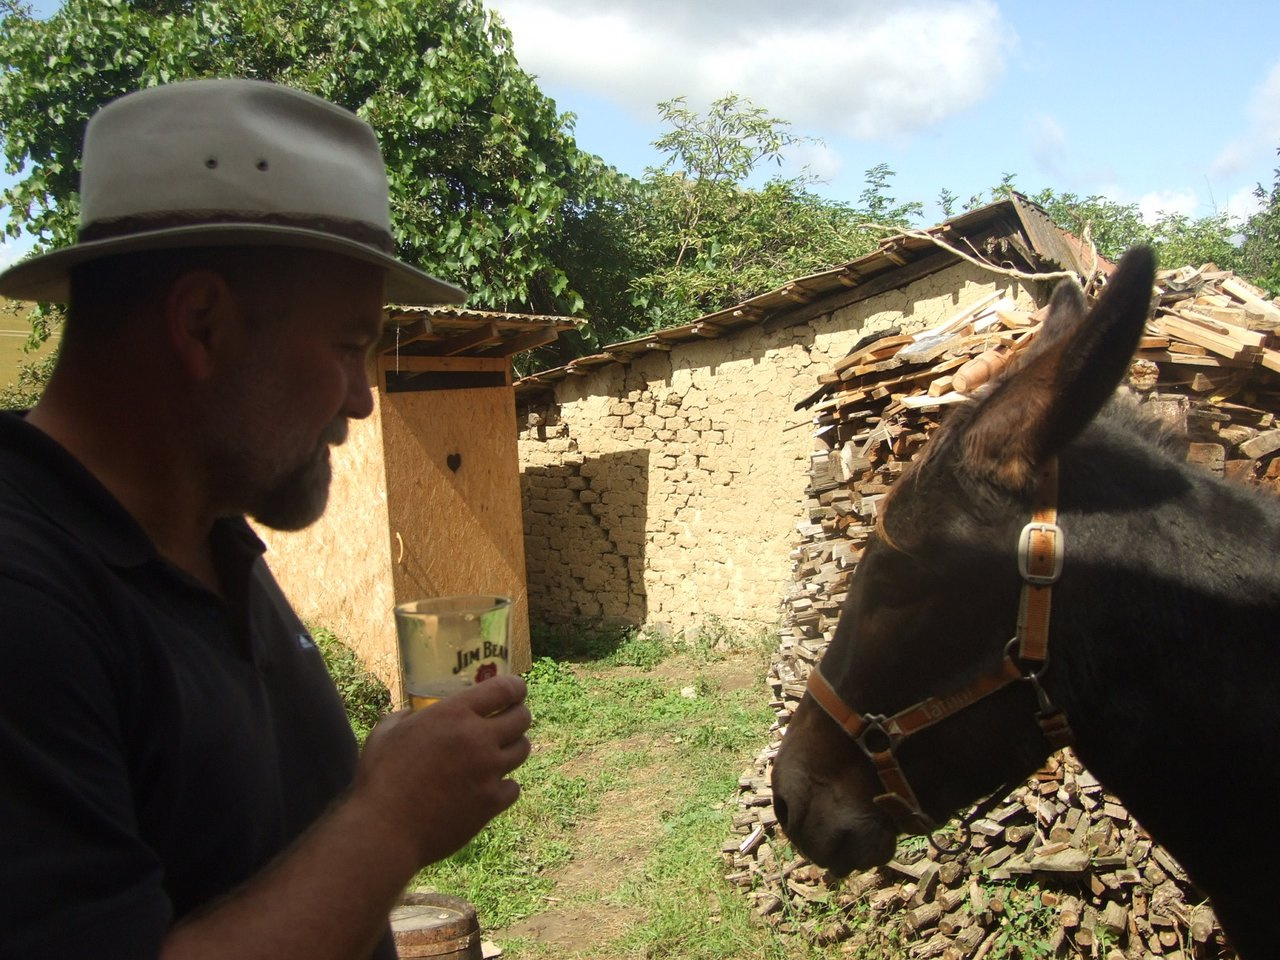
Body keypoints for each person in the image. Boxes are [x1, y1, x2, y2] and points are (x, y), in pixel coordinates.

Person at [0, 79, 532, 959]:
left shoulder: (204, 537)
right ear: (201, 323)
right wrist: (391, 821)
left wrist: (384, 774)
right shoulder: (25, 604)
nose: (363, 400)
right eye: (348, 346)